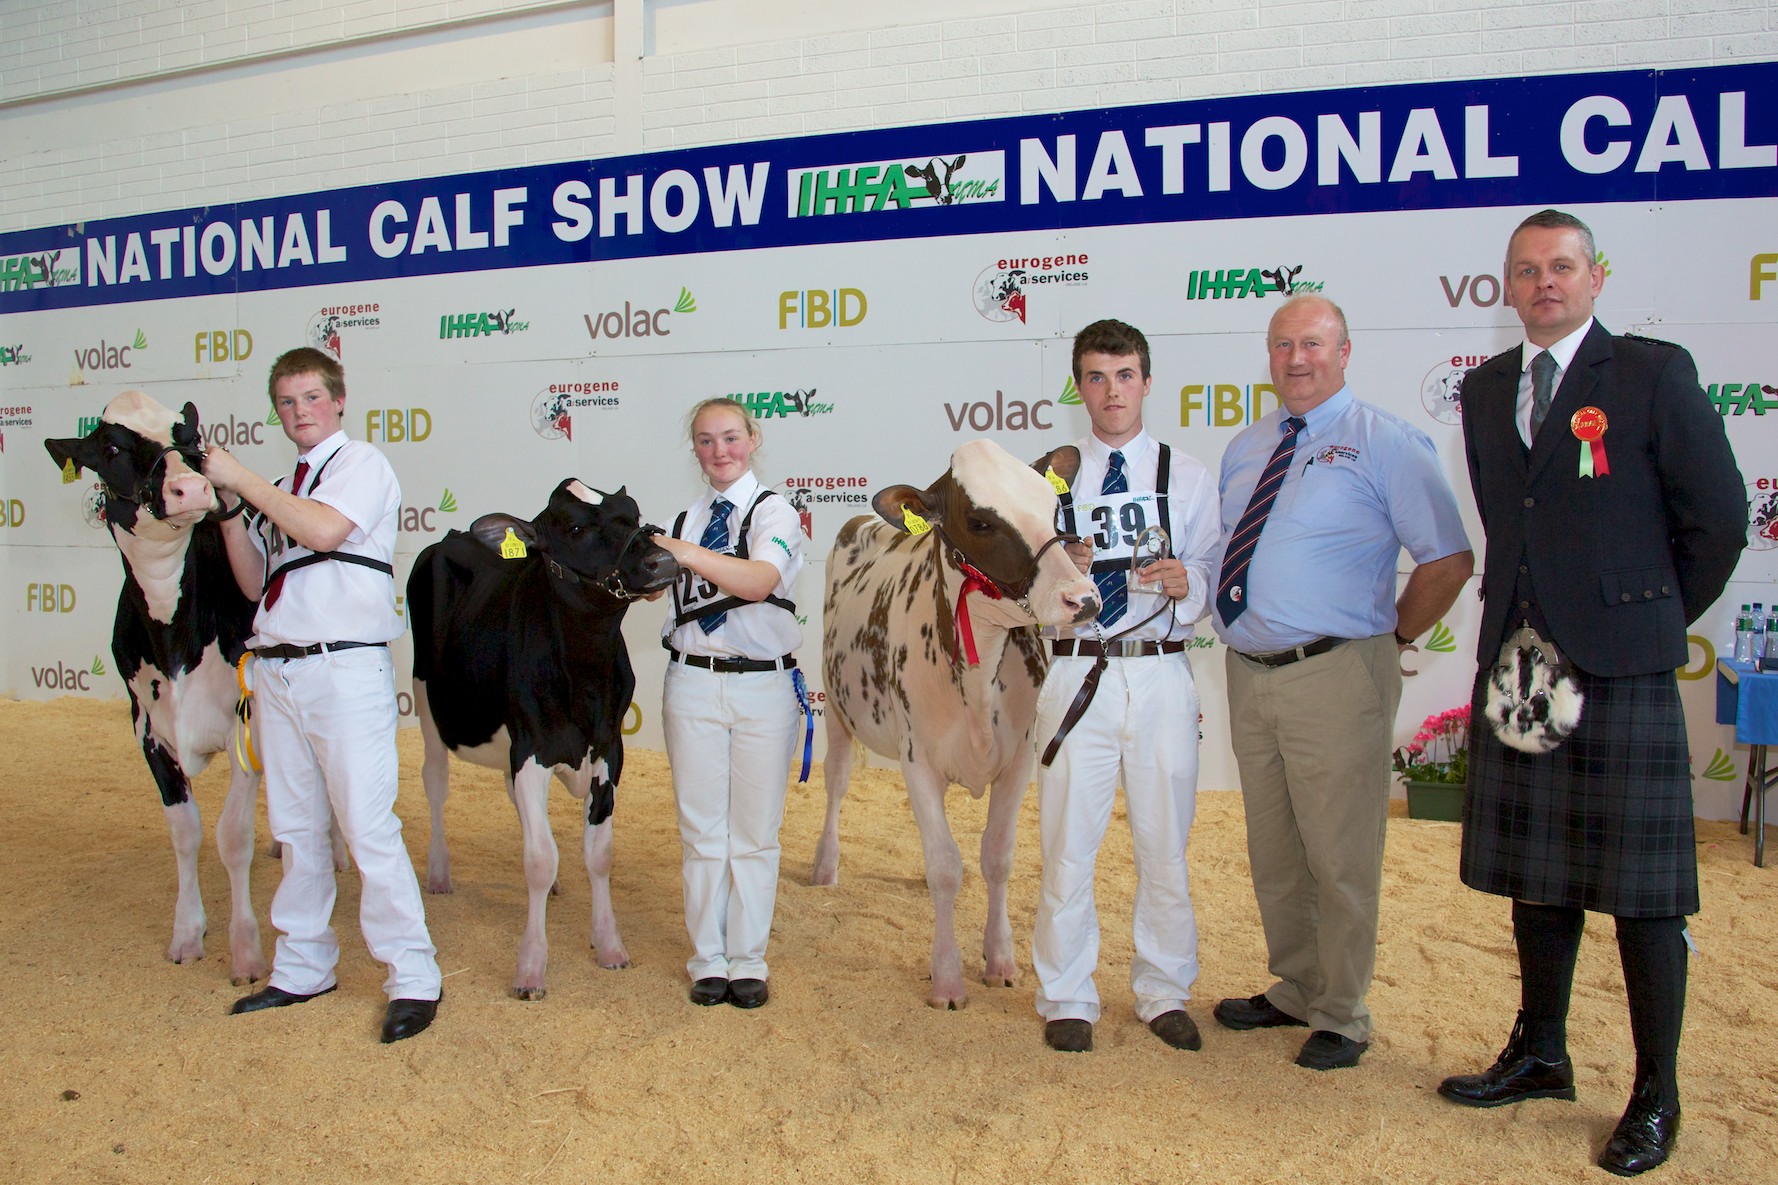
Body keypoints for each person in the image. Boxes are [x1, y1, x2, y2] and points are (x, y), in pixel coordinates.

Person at [1438, 210, 1746, 1176]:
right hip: (1522, 665)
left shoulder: (1653, 374)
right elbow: (1510, 513)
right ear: (1508, 286)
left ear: (1596, 277)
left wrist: (1642, 618)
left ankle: (1657, 1092)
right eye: (1527, 269)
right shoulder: (1487, 388)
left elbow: (1719, 523)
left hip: (1623, 668)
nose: (1545, 283)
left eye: (1562, 266)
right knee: (1537, 872)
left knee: (1645, 897)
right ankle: (1541, 1051)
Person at [1211, 294, 1472, 1070]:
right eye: (1282, 344)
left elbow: (1449, 559)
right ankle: (1297, 986)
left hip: (1337, 672)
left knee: (1340, 851)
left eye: (1314, 344)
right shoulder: (1246, 446)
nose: (1296, 359)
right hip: (1248, 673)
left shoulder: (1387, 441)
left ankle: (1342, 1010)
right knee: (1275, 847)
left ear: (1346, 352)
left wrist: (1390, 639)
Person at [205, 347, 441, 1043]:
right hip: (278, 669)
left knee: (365, 825)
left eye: (311, 396)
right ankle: (303, 965)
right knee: (296, 828)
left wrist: (239, 478)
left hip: (343, 666)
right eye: (286, 401)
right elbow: (256, 582)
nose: (299, 410)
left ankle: (413, 975)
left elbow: (324, 530)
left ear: (339, 400)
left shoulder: (361, 464)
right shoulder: (282, 485)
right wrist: (229, 510)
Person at [1031, 319, 1222, 1054]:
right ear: (1079, 387)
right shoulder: (1049, 483)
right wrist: (1058, 566)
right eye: (1096, 377)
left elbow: (1210, 569)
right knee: (1067, 843)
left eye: (1125, 375)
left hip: (1159, 667)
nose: (1112, 391)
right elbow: (1021, 589)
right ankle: (1067, 995)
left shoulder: (1188, 474)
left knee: (1164, 843)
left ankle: (1163, 989)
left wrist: (1186, 580)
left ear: (1146, 381)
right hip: (1077, 667)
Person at [654, 398, 805, 1010]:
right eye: (706, 440)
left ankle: (748, 959)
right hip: (691, 682)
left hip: (763, 686)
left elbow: (759, 580)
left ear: (753, 439)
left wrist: (681, 552)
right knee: (701, 831)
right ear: (694, 448)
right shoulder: (683, 519)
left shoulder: (776, 512)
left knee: (755, 832)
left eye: (731, 437)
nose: (720, 451)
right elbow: (651, 588)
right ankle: (707, 960)